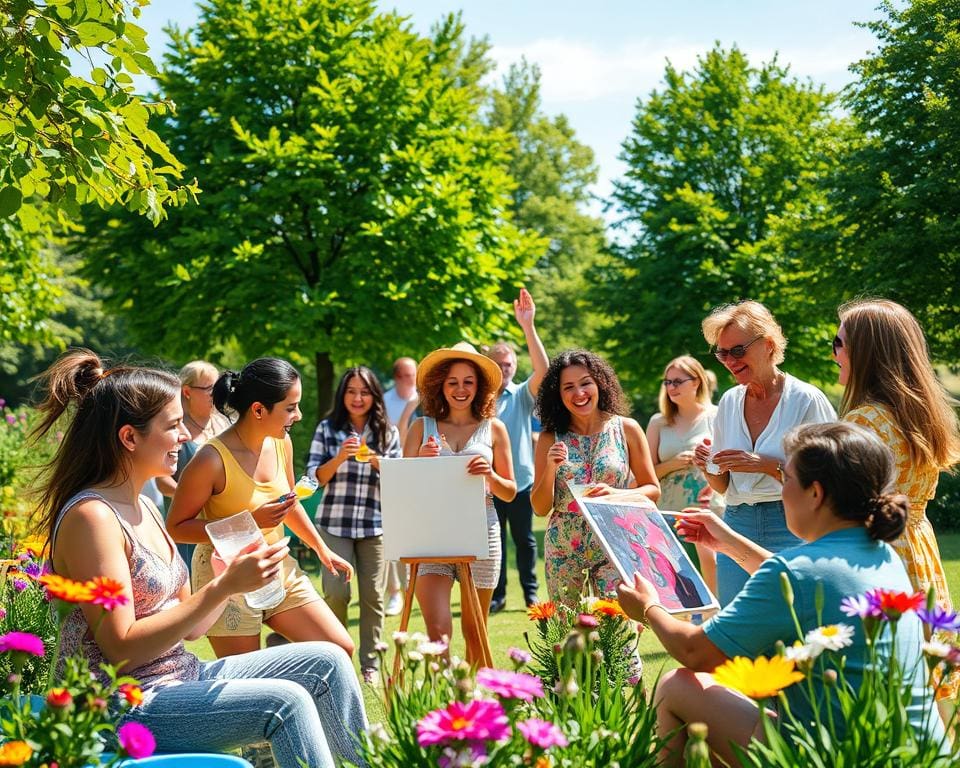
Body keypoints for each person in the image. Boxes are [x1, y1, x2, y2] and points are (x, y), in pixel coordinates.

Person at [32, 350, 366, 768]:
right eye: (173, 426)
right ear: (129, 438)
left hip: (177, 679)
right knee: (286, 701)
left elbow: (193, 629)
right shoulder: (92, 518)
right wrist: (226, 586)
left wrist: (227, 578)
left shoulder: (145, 508)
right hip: (119, 705)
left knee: (330, 658)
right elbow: (120, 650)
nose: (186, 436)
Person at [617, 422, 946, 766]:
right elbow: (803, 585)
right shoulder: (882, 554)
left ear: (815, 493)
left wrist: (649, 608)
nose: (782, 489)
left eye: (786, 479)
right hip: (913, 755)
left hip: (838, 757)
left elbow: (694, 651)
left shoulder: (799, 569)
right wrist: (729, 544)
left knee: (676, 686)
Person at [166, 358, 354, 659]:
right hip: (227, 578)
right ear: (258, 410)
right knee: (246, 682)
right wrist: (247, 521)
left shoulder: (282, 443)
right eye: (290, 407)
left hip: (279, 567)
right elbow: (176, 527)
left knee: (339, 650)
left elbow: (287, 505)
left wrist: (321, 549)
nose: (299, 415)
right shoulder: (210, 460)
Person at [835, 298, 960, 706]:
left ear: (866, 351)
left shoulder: (864, 421)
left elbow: (841, 509)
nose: (834, 354)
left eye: (839, 343)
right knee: (924, 676)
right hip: (918, 550)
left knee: (883, 687)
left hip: (877, 556)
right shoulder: (922, 415)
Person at [694, 301, 835, 605]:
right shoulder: (729, 402)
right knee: (738, 624)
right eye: (722, 353)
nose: (729, 360)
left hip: (792, 524)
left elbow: (831, 478)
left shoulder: (806, 399)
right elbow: (724, 485)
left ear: (769, 345)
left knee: (796, 621)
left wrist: (767, 466)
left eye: (738, 351)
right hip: (736, 524)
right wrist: (707, 467)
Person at [403, 342, 516, 665]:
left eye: (468, 381)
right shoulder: (420, 428)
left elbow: (509, 492)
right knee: (437, 634)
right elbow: (402, 488)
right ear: (440, 385)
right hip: (432, 537)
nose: (460, 389)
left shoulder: (494, 428)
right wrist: (420, 463)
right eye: (452, 381)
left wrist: (491, 476)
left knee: (475, 632)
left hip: (481, 533)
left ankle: (475, 704)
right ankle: (440, 703)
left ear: (479, 386)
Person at [531, 349, 660, 609]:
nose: (579, 393)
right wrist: (550, 468)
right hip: (563, 546)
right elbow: (540, 507)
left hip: (616, 540)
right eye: (568, 387)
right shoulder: (549, 438)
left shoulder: (627, 429)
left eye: (585, 383)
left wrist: (616, 494)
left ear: (599, 383)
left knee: (618, 627)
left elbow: (653, 490)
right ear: (559, 394)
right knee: (570, 634)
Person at [306, 366, 401, 684]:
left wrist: (378, 462)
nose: (357, 398)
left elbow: (402, 480)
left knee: (373, 596)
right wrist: (338, 458)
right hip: (335, 524)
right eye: (351, 391)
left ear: (374, 395)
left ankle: (370, 663)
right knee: (336, 593)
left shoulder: (388, 432)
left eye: (364, 392)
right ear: (342, 395)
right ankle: (338, 657)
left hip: (374, 525)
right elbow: (314, 478)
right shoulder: (327, 429)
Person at [486, 288, 549, 614]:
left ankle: (531, 594)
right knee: (492, 543)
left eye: (509, 364)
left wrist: (528, 326)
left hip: (522, 481)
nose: (506, 369)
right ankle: (496, 597)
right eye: (499, 364)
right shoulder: (477, 398)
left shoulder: (522, 394)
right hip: (487, 483)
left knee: (524, 542)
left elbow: (544, 372)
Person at [646, 355, 719, 595]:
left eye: (678, 381)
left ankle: (711, 621)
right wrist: (673, 464)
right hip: (668, 511)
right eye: (667, 382)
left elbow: (730, 466)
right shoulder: (658, 422)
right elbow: (645, 475)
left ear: (696, 382)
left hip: (708, 507)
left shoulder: (716, 416)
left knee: (713, 573)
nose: (671, 388)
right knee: (675, 579)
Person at [155, 360, 232, 567]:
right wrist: (194, 499)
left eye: (218, 387)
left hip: (222, 526)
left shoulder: (225, 424)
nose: (216, 394)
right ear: (187, 392)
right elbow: (161, 480)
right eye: (209, 389)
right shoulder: (177, 429)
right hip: (188, 527)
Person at [382, 357, 418, 616]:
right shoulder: (385, 401)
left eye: (413, 375)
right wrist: (409, 409)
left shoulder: (428, 398)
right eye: (406, 376)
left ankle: (411, 588)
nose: (411, 381)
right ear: (396, 378)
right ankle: (395, 591)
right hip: (395, 472)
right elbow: (396, 439)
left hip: (420, 473)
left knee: (413, 534)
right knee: (391, 533)